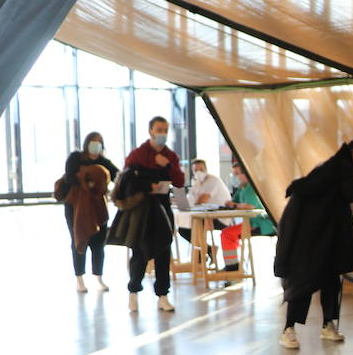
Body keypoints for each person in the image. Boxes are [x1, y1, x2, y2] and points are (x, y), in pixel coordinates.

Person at [273, 139, 353, 349]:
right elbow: (350, 193)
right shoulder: (338, 169)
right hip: (309, 237)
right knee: (304, 281)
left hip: (326, 237)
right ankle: (288, 329)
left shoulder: (339, 171)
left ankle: (328, 324)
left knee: (331, 278)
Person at [114, 116, 184, 313]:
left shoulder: (170, 155)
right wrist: (147, 186)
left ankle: (162, 295)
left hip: (162, 208)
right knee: (140, 251)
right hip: (142, 210)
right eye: (159, 129)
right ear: (151, 131)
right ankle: (133, 292)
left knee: (163, 250)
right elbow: (125, 181)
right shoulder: (138, 154)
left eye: (165, 130)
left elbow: (179, 181)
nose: (162, 133)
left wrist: (168, 166)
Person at [63, 131, 118, 293]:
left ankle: (98, 277)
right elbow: (69, 177)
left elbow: (118, 176)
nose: (96, 144)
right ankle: (79, 278)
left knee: (99, 242)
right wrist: (90, 178)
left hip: (98, 208)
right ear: (87, 143)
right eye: (93, 141)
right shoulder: (75, 158)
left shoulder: (105, 162)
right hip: (76, 206)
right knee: (78, 239)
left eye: (99, 142)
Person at [216, 159, 276, 272]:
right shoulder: (241, 189)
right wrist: (231, 204)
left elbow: (251, 206)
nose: (235, 177)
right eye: (233, 174)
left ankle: (232, 267)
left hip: (259, 223)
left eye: (237, 174)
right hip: (248, 222)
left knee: (227, 234)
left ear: (246, 174)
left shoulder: (251, 188)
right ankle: (234, 265)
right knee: (229, 233)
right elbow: (234, 202)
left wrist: (235, 205)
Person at [176, 158, 234, 264]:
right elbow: (191, 201)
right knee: (183, 229)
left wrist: (194, 201)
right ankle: (207, 250)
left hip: (220, 218)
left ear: (206, 169)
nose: (198, 172)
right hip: (205, 216)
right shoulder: (196, 183)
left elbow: (203, 200)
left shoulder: (213, 180)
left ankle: (202, 255)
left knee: (195, 225)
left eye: (201, 169)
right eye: (195, 170)